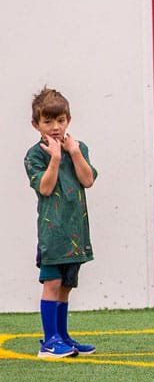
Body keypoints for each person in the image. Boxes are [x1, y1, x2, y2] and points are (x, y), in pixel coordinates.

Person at [25, 88, 98, 358]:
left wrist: (74, 153)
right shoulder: (34, 155)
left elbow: (87, 180)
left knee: (66, 286)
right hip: (52, 233)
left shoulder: (78, 148)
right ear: (36, 124)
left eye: (60, 120)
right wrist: (55, 159)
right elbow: (44, 188)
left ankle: (63, 336)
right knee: (52, 283)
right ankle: (49, 341)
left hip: (76, 232)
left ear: (68, 119)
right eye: (48, 122)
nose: (55, 127)